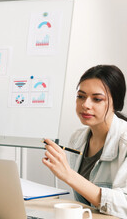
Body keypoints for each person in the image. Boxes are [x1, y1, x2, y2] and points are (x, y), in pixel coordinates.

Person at [43, 65, 127, 218]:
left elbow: (124, 205)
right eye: (81, 96)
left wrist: (68, 174)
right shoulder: (77, 138)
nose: (85, 105)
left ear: (117, 103)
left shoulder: (125, 142)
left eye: (97, 99)